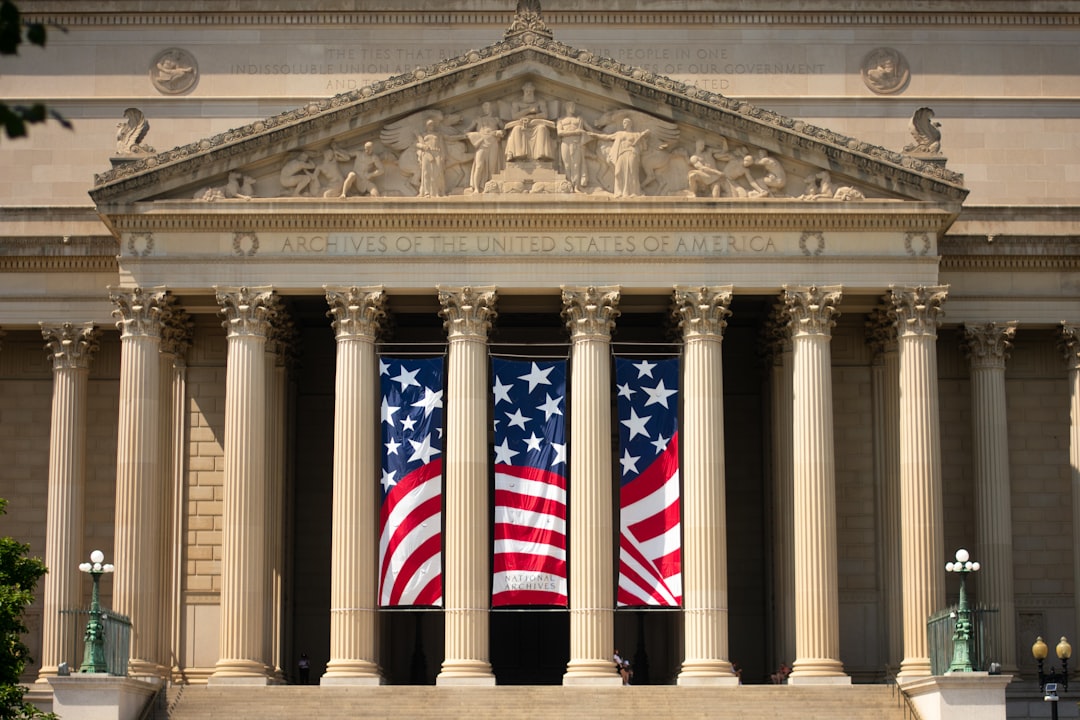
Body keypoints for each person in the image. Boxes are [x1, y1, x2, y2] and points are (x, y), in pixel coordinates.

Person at [592, 118, 650, 198]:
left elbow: (643, 143)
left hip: (631, 153)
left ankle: (633, 192)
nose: (624, 124)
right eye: (623, 123)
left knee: (632, 172)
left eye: (625, 122)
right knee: (618, 172)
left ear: (630, 124)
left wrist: (643, 135)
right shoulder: (620, 133)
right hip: (621, 154)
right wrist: (595, 135)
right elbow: (607, 137)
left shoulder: (636, 135)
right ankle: (619, 192)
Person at [504, 82, 556, 162]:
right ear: (523, 91)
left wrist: (531, 117)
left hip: (536, 124)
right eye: (527, 91)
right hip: (521, 125)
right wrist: (528, 110)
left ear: (533, 91)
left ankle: (541, 155)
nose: (528, 93)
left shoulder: (540, 101)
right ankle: (519, 154)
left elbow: (545, 115)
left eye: (530, 91)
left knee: (542, 128)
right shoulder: (517, 102)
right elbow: (514, 116)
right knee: (517, 129)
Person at [464, 102, 503, 193]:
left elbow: (504, 130)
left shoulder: (496, 120)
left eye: (488, 106)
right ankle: (476, 188)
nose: (486, 108)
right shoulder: (478, 120)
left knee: (492, 167)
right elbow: (466, 131)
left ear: (492, 108)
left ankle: (490, 188)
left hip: (493, 143)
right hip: (482, 143)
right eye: (484, 107)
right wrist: (475, 135)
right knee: (479, 166)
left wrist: (500, 132)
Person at [557, 101, 593, 191]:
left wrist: (588, 131)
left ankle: (576, 186)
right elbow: (559, 132)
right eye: (570, 106)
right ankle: (569, 185)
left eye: (574, 106)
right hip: (565, 143)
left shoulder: (579, 119)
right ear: (566, 107)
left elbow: (590, 129)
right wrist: (576, 132)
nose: (572, 107)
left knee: (576, 165)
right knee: (567, 165)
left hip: (576, 143)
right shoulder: (561, 120)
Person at [415, 119, 448, 197]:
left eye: (432, 124)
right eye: (429, 125)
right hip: (426, 154)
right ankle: (426, 192)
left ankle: (438, 192)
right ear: (426, 126)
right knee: (426, 173)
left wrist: (443, 156)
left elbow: (442, 146)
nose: (431, 126)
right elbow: (416, 144)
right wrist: (422, 146)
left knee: (438, 174)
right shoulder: (423, 135)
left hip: (437, 153)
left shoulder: (438, 135)